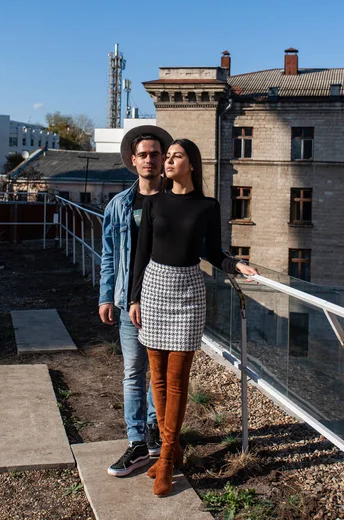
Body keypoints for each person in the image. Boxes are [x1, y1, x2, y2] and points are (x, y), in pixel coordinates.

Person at [129, 138, 257, 497]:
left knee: (177, 380)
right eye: (166, 157)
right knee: (157, 380)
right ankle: (173, 450)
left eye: (175, 156)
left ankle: (167, 459)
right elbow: (141, 253)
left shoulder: (207, 206)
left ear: (192, 164)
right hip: (154, 287)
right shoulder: (153, 203)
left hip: (188, 291)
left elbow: (213, 252)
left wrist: (235, 265)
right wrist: (134, 298)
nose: (167, 161)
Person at [98, 125, 173, 477]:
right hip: (128, 304)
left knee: (161, 374)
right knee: (133, 372)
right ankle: (137, 441)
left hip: (167, 303)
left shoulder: (176, 201)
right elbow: (109, 256)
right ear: (133, 160)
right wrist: (105, 297)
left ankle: (154, 430)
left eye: (155, 154)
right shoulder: (119, 206)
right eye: (142, 154)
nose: (149, 159)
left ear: (163, 159)